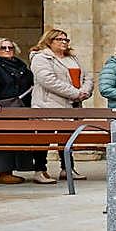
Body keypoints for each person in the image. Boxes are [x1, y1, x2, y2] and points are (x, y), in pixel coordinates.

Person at [0, 38, 49, 184]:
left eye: (10, 48)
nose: (7, 50)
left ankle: (10, 171)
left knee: (16, 138)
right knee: (2, 139)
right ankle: (2, 172)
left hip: (18, 108)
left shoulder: (18, 64)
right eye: (3, 48)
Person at [30, 28, 92, 181]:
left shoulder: (73, 58)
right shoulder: (41, 58)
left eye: (66, 40)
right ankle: (40, 171)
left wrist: (85, 91)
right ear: (49, 41)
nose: (64, 42)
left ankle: (68, 169)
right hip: (48, 105)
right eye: (59, 39)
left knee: (66, 137)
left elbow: (88, 76)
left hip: (71, 105)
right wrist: (74, 93)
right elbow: (48, 80)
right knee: (44, 138)